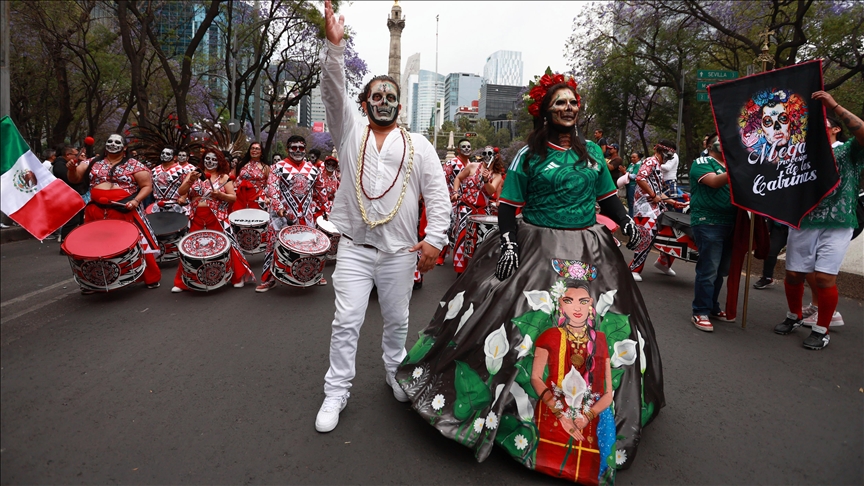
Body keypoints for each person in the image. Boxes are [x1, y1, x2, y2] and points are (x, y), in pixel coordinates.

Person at [394, 70, 662, 483]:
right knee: (518, 324)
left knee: (605, 328)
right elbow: (507, 207)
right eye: (560, 103)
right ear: (546, 111)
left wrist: (627, 224)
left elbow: (608, 199)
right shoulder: (528, 155)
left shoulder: (592, 153)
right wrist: (510, 245)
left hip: (591, 250)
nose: (568, 108)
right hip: (536, 246)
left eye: (573, 102)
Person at [314, 0, 451, 433]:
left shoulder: (421, 146)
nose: (385, 101)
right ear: (365, 103)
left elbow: (439, 195)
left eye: (392, 96)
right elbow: (333, 92)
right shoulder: (349, 131)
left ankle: (395, 373)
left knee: (398, 321)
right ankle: (336, 391)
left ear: (399, 104)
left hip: (399, 254)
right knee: (346, 321)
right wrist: (334, 49)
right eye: (377, 96)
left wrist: (436, 239)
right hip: (355, 250)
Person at [774, 94, 862, 349]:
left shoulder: (848, 151)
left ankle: (822, 329)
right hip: (804, 220)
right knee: (792, 274)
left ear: (836, 129)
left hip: (838, 221)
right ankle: (794, 316)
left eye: (824, 122)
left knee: (824, 278)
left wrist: (833, 106)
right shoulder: (799, 153)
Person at [531, 280, 614, 482]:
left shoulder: (601, 340)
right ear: (560, 304)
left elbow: (608, 393)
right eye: (569, 300)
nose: (577, 307)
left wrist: (586, 416)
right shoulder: (549, 336)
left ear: (591, 305)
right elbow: (535, 378)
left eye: (583, 301)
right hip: (553, 409)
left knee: (586, 467)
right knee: (550, 455)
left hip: (588, 413)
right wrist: (560, 414)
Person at [65, 134, 162, 293]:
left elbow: (146, 186)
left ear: (124, 147)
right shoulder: (92, 162)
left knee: (136, 243)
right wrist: (71, 169)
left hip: (125, 209)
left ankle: (150, 277)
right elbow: (74, 179)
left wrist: (136, 201)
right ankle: (91, 282)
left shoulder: (135, 165)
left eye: (118, 142)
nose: (113, 144)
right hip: (95, 211)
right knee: (92, 246)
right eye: (109, 141)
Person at [172, 149, 254, 293]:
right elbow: (181, 192)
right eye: (207, 159)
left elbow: (233, 197)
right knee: (191, 248)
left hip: (217, 216)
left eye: (214, 160)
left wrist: (220, 195)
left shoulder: (224, 177)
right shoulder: (194, 174)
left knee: (227, 245)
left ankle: (237, 277)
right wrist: (190, 180)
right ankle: (183, 282)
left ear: (220, 162)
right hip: (197, 216)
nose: (210, 162)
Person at [255, 135, 326, 291]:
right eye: (294, 148)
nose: (298, 151)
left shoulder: (313, 169)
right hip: (281, 215)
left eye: (301, 148)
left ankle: (315, 275)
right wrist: (278, 206)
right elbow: (272, 188)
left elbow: (321, 190)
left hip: (306, 214)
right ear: (287, 149)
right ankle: (269, 278)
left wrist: (325, 208)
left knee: (310, 244)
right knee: (274, 244)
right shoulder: (277, 167)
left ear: (305, 149)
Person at [689, 134, 737, 332]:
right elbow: (715, 182)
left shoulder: (730, 165)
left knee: (720, 271)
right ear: (710, 144)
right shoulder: (702, 162)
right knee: (709, 269)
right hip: (708, 222)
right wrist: (740, 169)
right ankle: (699, 311)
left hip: (731, 224)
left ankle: (712, 306)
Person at [629, 141, 683, 282]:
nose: (670, 158)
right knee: (647, 235)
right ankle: (633, 268)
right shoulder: (651, 161)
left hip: (654, 207)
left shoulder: (657, 164)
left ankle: (663, 263)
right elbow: (641, 178)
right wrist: (653, 196)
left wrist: (672, 201)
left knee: (672, 231)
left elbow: (658, 192)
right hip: (644, 207)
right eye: (669, 154)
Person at [450, 148, 503, 273]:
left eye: (490, 154)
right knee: (462, 238)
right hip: (466, 207)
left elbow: (491, 191)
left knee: (480, 241)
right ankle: (460, 270)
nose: (486, 156)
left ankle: (474, 270)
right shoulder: (472, 166)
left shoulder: (497, 175)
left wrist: (486, 180)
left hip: (482, 210)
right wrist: (455, 192)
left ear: (495, 157)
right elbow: (458, 178)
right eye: (484, 153)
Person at [438, 138, 472, 265]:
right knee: (448, 227)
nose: (467, 149)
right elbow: (442, 180)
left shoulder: (472, 165)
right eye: (464, 147)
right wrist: (448, 196)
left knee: (463, 229)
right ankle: (440, 255)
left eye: (469, 147)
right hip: (451, 201)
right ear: (458, 149)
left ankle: (463, 257)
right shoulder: (452, 163)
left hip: (467, 203)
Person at [53, 145, 89, 244]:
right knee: (71, 221)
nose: (79, 156)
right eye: (76, 154)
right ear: (68, 155)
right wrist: (73, 171)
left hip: (75, 196)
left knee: (79, 220)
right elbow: (70, 179)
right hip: (67, 197)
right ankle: (66, 244)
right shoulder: (59, 165)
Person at [150, 146, 191, 212]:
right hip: (158, 206)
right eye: (162, 153)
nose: (164, 155)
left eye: (168, 154)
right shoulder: (154, 170)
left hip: (176, 207)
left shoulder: (182, 171)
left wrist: (183, 197)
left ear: (175, 157)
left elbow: (188, 187)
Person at [232, 142, 270, 211]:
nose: (254, 150)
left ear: (261, 152)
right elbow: (233, 178)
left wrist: (268, 198)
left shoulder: (266, 167)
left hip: (258, 199)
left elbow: (270, 184)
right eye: (252, 148)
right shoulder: (241, 164)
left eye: (257, 149)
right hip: (240, 197)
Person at [624, 152, 642, 218]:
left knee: (632, 202)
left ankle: (633, 218)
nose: (632, 159)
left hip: (633, 185)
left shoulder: (638, 165)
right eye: (631, 157)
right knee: (629, 202)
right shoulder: (631, 164)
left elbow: (634, 176)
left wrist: (625, 172)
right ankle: (630, 216)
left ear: (639, 158)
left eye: (634, 157)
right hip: (628, 185)